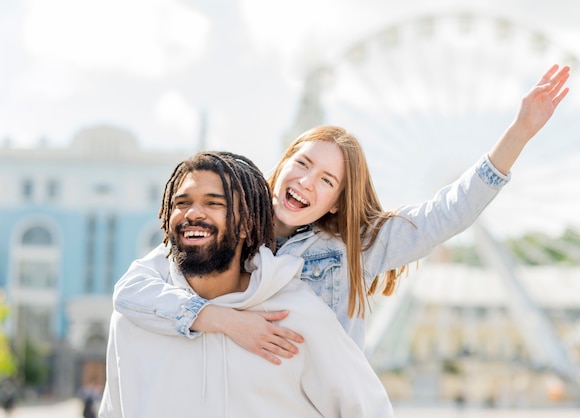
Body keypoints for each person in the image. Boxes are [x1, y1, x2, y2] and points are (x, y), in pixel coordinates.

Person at [113, 64, 570, 364]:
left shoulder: (352, 248)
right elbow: (133, 290)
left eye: (328, 181)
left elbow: (446, 214)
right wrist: (220, 319)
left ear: (334, 203)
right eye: (303, 164)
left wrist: (519, 134)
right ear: (282, 165)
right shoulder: (223, 228)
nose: (308, 182)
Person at [99, 152, 394, 418]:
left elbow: (369, 410)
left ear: (246, 224)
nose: (193, 213)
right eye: (182, 203)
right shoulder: (133, 320)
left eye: (214, 203)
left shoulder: (296, 316)